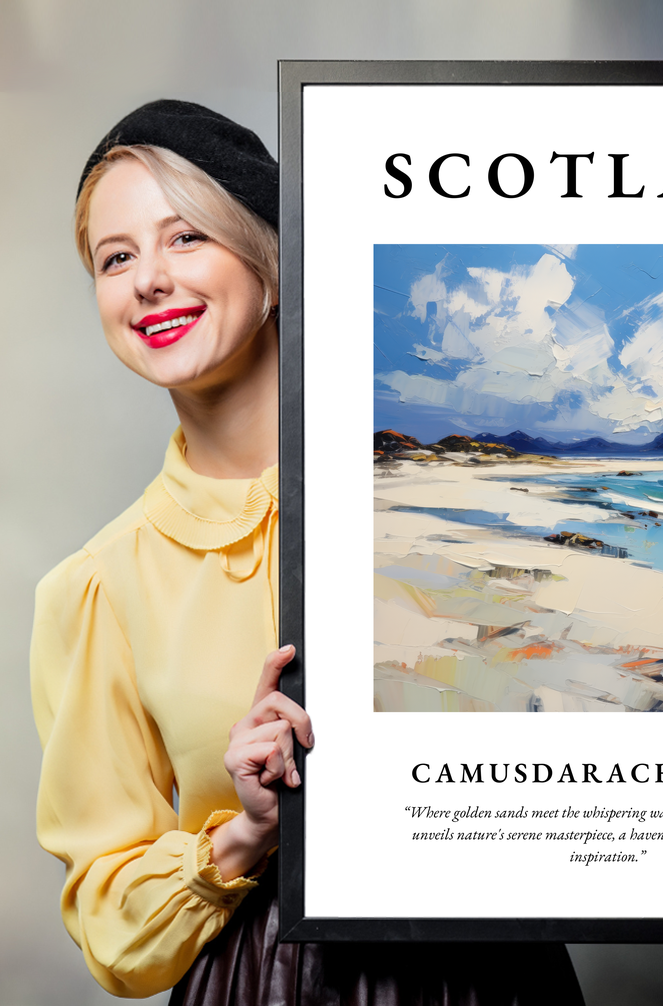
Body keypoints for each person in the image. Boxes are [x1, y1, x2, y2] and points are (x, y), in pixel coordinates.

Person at [30, 100, 586, 1004]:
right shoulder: (97, 586)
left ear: (272, 262)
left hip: (490, 972)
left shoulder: (439, 509)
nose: (149, 281)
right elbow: (110, 924)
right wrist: (245, 833)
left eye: (186, 237)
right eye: (115, 258)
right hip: (263, 981)